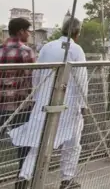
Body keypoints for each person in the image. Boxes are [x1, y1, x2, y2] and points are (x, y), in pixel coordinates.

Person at [10, 17, 88, 189]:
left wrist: (38, 97)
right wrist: (83, 105)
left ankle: (24, 176)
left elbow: (36, 74)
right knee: (72, 144)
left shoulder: (47, 46)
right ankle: (67, 180)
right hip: (70, 105)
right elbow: (82, 79)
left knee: (38, 143)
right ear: (77, 32)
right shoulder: (76, 49)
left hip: (45, 102)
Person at [0, 18, 35, 189]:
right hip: (21, 106)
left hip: (1, 105)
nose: (29, 34)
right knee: (23, 144)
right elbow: (32, 79)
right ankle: (21, 181)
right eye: (28, 30)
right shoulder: (26, 52)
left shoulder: (0, 50)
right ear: (21, 31)